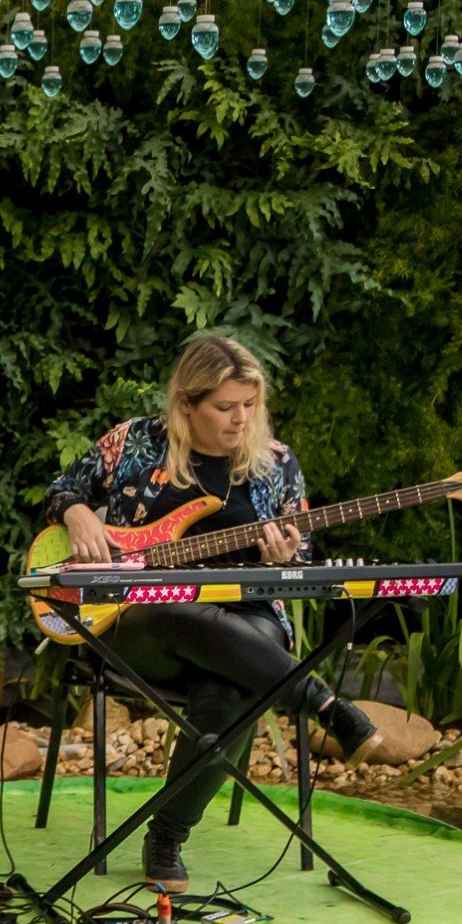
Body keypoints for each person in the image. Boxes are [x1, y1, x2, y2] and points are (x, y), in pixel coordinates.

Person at [44, 333, 385, 892]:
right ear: (186, 404)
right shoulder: (132, 443)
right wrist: (78, 512)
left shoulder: (275, 463)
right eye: (226, 408)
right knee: (177, 609)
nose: (241, 420)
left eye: (250, 406)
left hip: (249, 622)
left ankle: (166, 838)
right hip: (142, 629)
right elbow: (63, 489)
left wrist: (285, 556)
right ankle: (324, 702)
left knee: (232, 685)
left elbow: (301, 555)